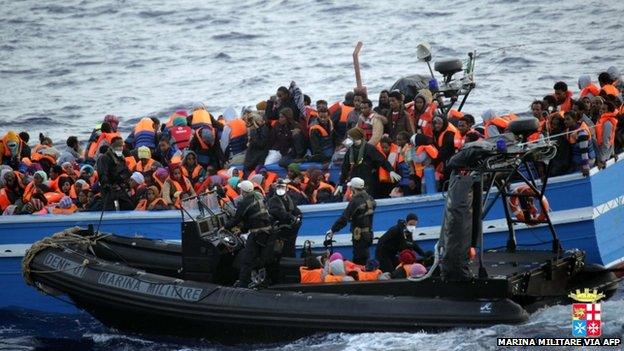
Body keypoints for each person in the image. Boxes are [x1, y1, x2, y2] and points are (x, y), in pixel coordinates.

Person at [223, 180, 274, 288]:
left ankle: (243, 284)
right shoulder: (259, 195)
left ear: (243, 191)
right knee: (261, 259)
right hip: (268, 232)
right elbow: (253, 217)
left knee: (247, 260)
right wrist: (242, 230)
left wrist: (225, 227)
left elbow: (237, 218)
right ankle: (263, 280)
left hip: (257, 234)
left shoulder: (244, 202)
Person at [325, 177, 376, 265]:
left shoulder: (355, 201)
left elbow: (344, 218)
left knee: (359, 260)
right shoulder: (370, 198)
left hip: (359, 236)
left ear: (353, 188)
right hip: (369, 234)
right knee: (365, 257)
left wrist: (333, 230)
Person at [337, 127, 401, 196]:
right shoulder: (350, 151)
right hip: (355, 178)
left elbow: (381, 160)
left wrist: (391, 170)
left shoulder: (369, 149)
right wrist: (340, 183)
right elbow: (345, 167)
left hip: (369, 179)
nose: (347, 140)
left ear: (355, 137)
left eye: (349, 137)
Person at [96, 137, 134, 211]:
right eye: (118, 145)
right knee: (111, 208)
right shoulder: (104, 158)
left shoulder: (121, 158)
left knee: (129, 206)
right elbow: (102, 174)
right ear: (112, 146)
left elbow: (126, 172)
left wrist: (126, 182)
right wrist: (107, 185)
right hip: (109, 190)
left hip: (120, 188)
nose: (120, 148)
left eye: (121, 146)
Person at [267, 179, 302, 258]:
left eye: (282, 187)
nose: (281, 189)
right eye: (279, 187)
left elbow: (295, 210)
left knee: (290, 248)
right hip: (280, 229)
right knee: (282, 251)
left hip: (291, 229)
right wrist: (291, 217)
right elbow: (279, 212)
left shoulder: (288, 199)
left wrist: (299, 215)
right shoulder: (273, 200)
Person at [564, 111, 594, 177]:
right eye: (564, 119)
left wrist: (586, 167)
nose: (565, 121)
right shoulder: (568, 130)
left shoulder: (582, 133)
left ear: (575, 119)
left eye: (568, 119)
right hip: (577, 161)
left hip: (586, 162)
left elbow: (584, 152)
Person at [595, 100, 619, 168]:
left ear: (609, 112)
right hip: (605, 154)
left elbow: (606, 142)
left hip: (604, 156)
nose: (600, 110)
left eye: (603, 109)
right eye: (601, 108)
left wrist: (602, 159)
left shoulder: (607, 123)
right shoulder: (604, 120)